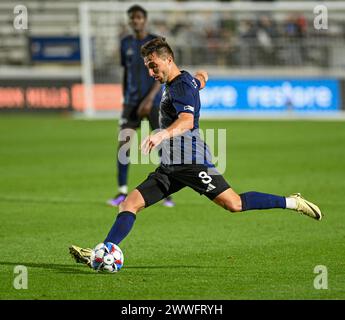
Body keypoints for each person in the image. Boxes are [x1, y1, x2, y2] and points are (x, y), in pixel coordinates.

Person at [70, 37, 322, 266]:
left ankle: (293, 202)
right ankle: (103, 252)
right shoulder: (184, 80)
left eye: (153, 65)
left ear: (168, 59)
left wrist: (162, 133)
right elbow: (201, 78)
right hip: (170, 167)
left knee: (234, 204)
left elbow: (188, 120)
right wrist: (202, 78)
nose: (150, 71)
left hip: (192, 163)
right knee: (129, 204)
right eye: (147, 66)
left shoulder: (180, 87)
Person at [107, 4, 175, 208]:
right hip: (131, 103)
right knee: (124, 144)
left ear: (145, 19)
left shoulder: (155, 43)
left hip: (154, 102)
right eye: (132, 18)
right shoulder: (125, 43)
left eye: (138, 17)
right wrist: (125, 99)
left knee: (162, 144)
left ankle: (167, 192)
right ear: (129, 21)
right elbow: (126, 73)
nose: (135, 21)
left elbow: (162, 73)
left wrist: (148, 100)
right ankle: (121, 192)